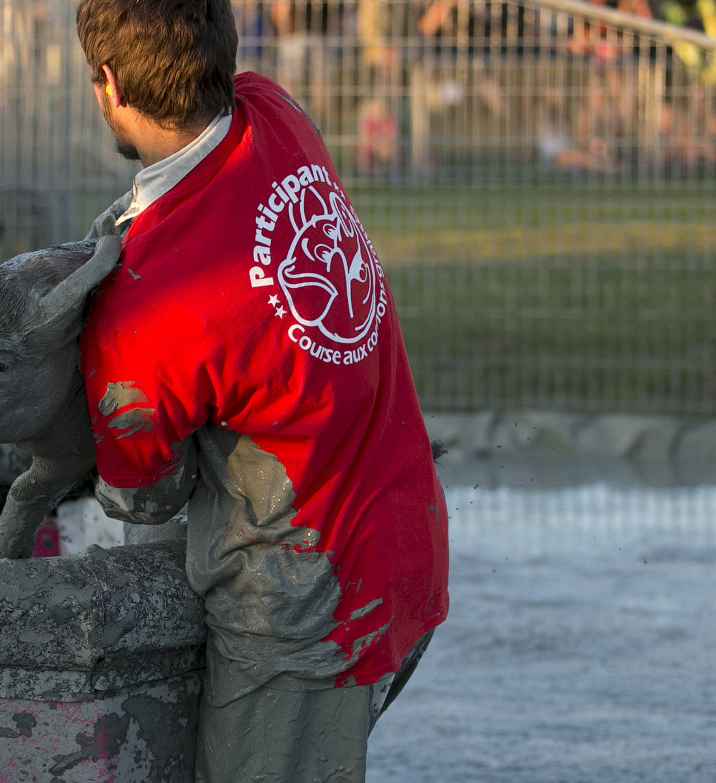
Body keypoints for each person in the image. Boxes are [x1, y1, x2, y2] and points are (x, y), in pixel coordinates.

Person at [73, 0, 450, 780]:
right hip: (408, 541)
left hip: (304, 614)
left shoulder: (140, 309)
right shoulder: (272, 110)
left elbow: (139, 496)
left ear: (107, 82)